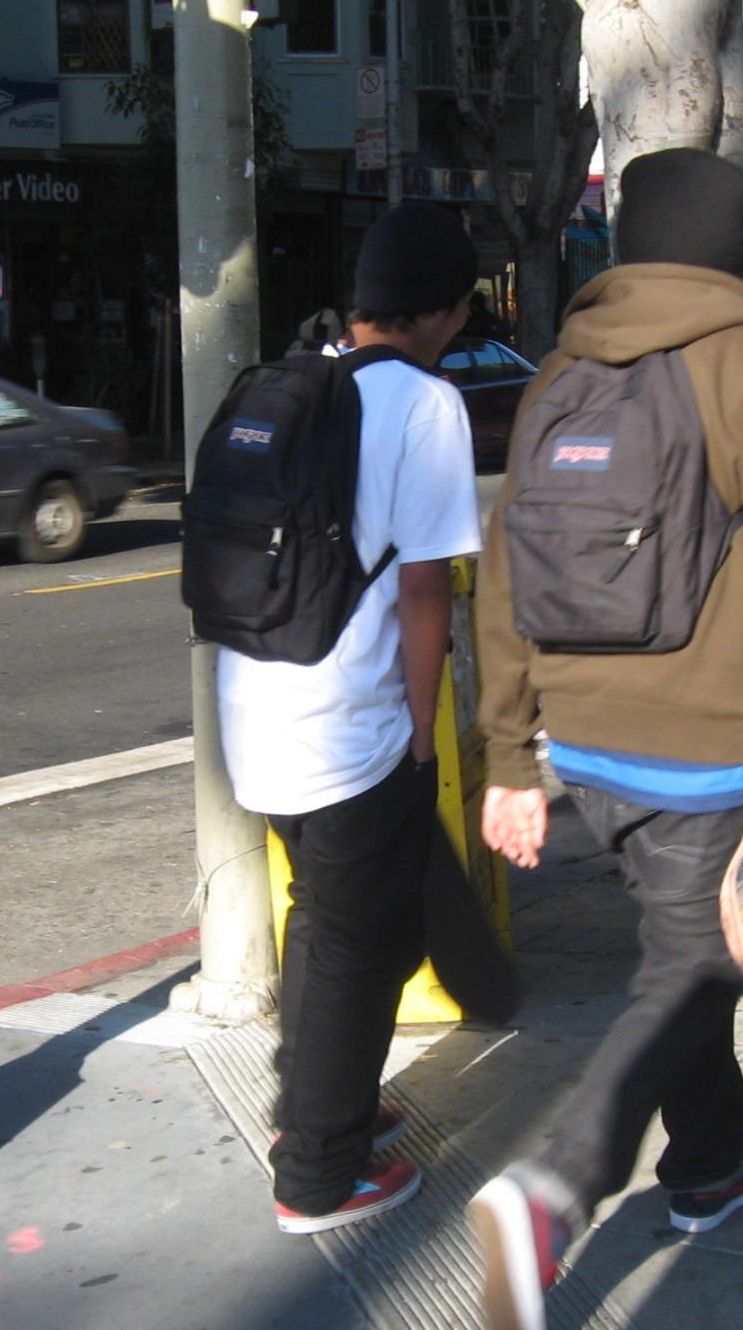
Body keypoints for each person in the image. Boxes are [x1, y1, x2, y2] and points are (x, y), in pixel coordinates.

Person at [465, 148, 743, 1330]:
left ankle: (709, 1159)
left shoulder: (560, 371)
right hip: (705, 747)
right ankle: (557, 1185)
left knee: (676, 946)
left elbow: (506, 577)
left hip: (582, 751)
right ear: (740, 246)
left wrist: (509, 757)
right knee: (691, 967)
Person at [217, 201, 483, 1234]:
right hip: (349, 723)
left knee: (331, 918)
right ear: (446, 307)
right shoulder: (424, 403)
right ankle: (318, 1172)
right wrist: (421, 729)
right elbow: (425, 588)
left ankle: (324, 1104)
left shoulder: (300, 379)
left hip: (255, 704)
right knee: (357, 938)